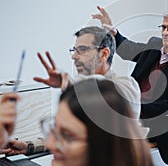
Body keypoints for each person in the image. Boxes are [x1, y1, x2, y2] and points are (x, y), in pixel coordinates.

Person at [1, 26, 142, 155]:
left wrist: (69, 84)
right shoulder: (78, 90)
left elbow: (108, 97)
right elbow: (67, 136)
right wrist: (29, 146)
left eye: (82, 50)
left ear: (104, 54)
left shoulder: (127, 86)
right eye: (74, 50)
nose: (74, 56)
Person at [92, 6, 168, 164]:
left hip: (158, 124)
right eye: (163, 27)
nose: (165, 32)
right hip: (131, 115)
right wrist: (113, 32)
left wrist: (133, 108)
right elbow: (129, 50)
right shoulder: (154, 44)